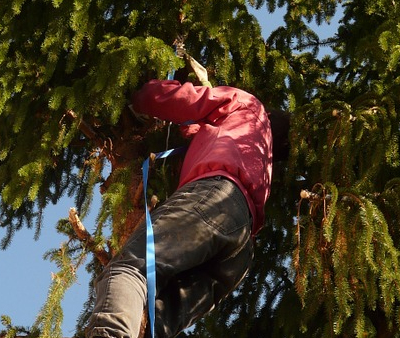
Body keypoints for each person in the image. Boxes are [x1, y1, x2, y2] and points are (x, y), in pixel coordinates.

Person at [86, 56, 287, 338]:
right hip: (240, 250)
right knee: (158, 321)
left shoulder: (250, 106)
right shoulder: (260, 155)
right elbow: (204, 129)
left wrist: (139, 94)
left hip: (216, 199)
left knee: (130, 268)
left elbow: (189, 99)